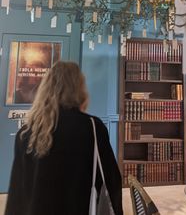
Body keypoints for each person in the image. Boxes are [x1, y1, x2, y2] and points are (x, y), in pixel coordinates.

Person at [5, 61, 123, 215]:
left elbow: (17, 191)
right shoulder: (92, 127)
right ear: (79, 89)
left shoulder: (26, 132)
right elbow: (111, 181)